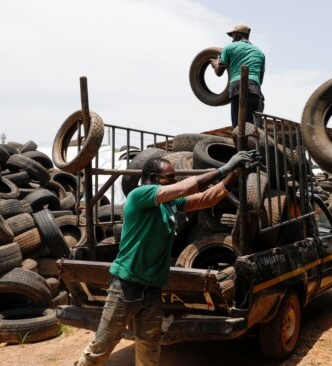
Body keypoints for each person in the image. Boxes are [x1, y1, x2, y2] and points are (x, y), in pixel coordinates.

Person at [75, 151, 252, 366]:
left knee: (149, 348)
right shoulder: (140, 195)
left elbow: (206, 198)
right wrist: (223, 168)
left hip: (151, 288)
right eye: (168, 177)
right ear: (151, 177)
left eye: (173, 177)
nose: (173, 180)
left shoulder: (169, 203)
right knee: (102, 347)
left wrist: (233, 175)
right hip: (126, 287)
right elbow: (185, 187)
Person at [211, 23, 265, 128]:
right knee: (255, 128)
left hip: (237, 90)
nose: (232, 39)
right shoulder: (260, 52)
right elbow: (260, 79)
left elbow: (219, 73)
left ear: (239, 35)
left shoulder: (229, 48)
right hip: (255, 90)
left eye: (233, 36)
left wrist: (216, 65)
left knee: (238, 128)